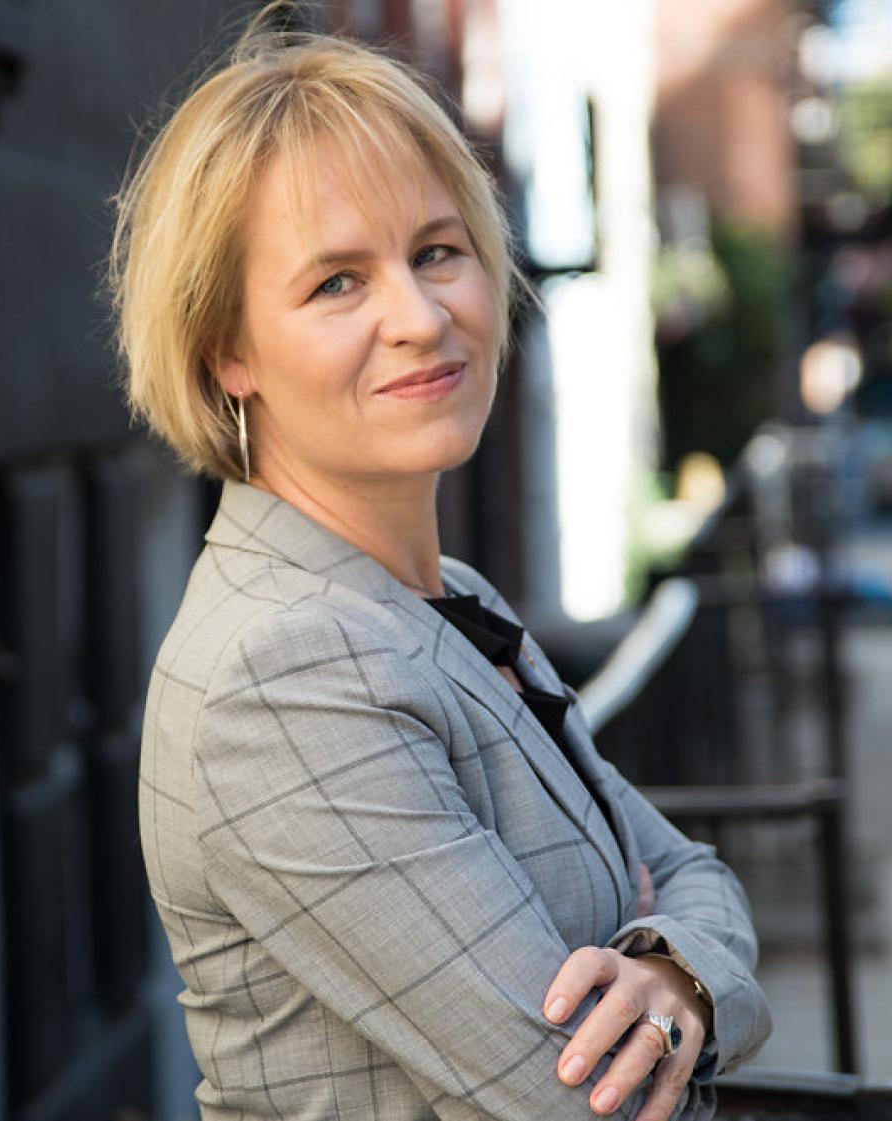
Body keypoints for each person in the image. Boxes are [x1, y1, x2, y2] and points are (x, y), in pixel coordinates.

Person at [109, 13, 771, 1120]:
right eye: (335, 283)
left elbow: (694, 869)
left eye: (434, 252)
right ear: (226, 348)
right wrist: (671, 1001)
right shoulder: (284, 674)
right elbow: (584, 1097)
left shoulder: (450, 596)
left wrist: (671, 975)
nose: (419, 318)